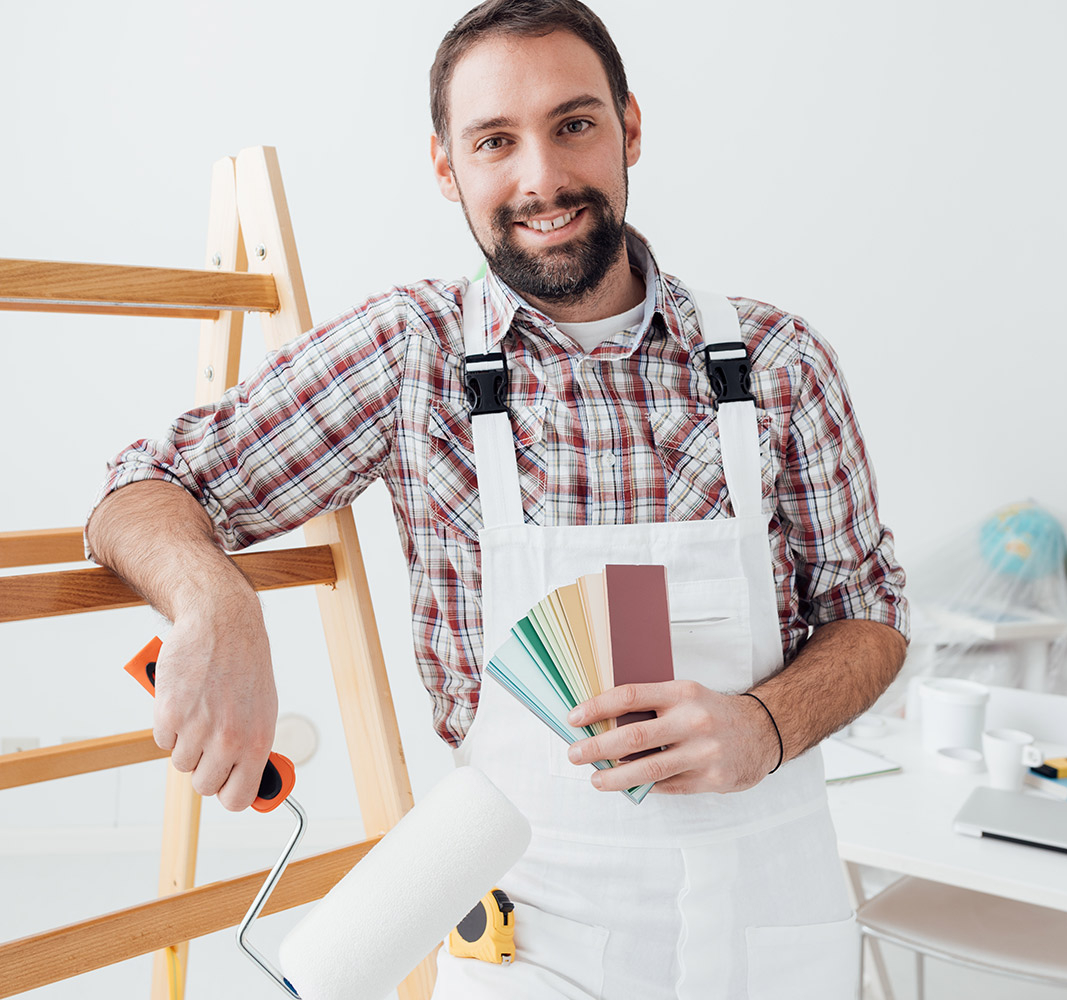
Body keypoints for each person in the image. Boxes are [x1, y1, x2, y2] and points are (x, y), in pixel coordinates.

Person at [83, 0, 907, 995]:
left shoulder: (776, 362)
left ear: (628, 126)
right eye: (493, 141)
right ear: (446, 168)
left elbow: (868, 615)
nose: (541, 177)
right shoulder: (411, 357)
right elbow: (142, 485)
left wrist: (766, 724)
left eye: (572, 124)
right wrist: (217, 599)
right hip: (533, 932)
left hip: (769, 914)